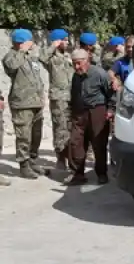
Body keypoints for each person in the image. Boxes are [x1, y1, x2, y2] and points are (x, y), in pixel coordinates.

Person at [66, 49, 117, 185]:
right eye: (73, 64)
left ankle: (101, 173)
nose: (76, 67)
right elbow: (74, 94)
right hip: (79, 113)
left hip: (97, 111)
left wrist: (111, 110)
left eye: (78, 64)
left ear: (86, 61)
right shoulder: (76, 75)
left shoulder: (100, 74)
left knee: (98, 143)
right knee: (75, 142)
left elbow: (111, 93)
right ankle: (77, 174)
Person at [2, 29, 46, 179]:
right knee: (24, 136)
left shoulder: (30, 58)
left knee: (36, 135)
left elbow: (37, 78)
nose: (32, 43)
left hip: (36, 102)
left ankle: (33, 161)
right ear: (21, 42)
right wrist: (21, 51)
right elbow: (12, 67)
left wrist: (42, 96)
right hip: (21, 104)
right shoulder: (10, 57)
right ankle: (24, 165)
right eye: (29, 40)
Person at [39, 28, 74, 171]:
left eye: (67, 40)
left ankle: (70, 156)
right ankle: (60, 157)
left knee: (71, 128)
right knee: (60, 128)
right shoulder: (51, 58)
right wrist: (53, 45)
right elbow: (41, 57)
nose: (67, 42)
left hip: (71, 97)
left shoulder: (68, 56)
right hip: (58, 98)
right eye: (64, 40)